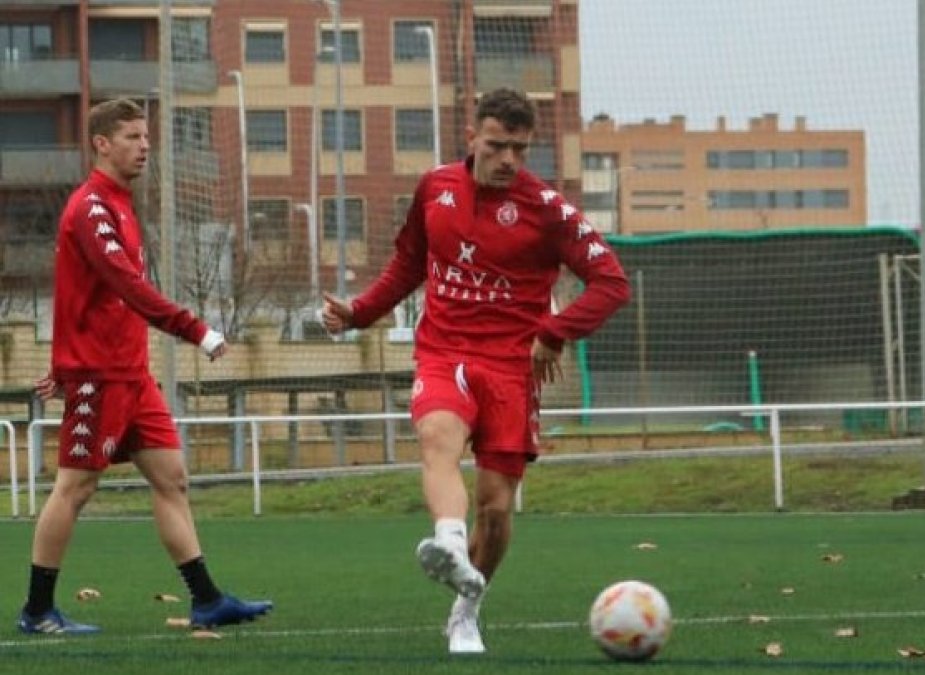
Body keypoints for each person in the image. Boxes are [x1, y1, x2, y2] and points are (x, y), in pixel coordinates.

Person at [322, 87, 630, 653]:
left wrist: (554, 333)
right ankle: (447, 540)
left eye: (519, 148)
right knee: (437, 436)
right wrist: (360, 312)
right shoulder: (435, 187)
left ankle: (465, 611)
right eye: (496, 146)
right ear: (472, 138)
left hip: (511, 369)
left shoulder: (548, 209)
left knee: (496, 507)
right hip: (444, 351)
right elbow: (410, 263)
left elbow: (611, 282)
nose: (508, 159)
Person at [18, 99, 273, 634]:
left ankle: (207, 600)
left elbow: (83, 295)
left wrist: (62, 364)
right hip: (101, 375)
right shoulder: (90, 207)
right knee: (75, 488)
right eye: (132, 137)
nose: (144, 147)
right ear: (101, 144)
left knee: (172, 480)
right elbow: (125, 286)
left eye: (146, 137)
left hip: (133, 374)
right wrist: (196, 330)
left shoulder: (121, 203)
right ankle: (37, 610)